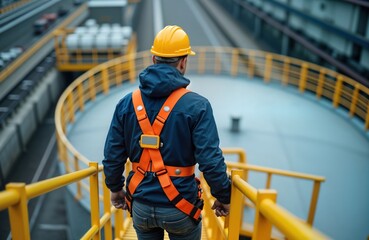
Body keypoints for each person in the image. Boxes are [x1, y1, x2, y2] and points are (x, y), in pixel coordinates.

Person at [103, 25, 231, 240]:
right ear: (183, 62)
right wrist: (223, 196)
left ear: (154, 60)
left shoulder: (126, 103)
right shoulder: (198, 106)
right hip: (180, 207)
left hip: (140, 204)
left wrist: (115, 188)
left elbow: (113, 154)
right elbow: (210, 160)